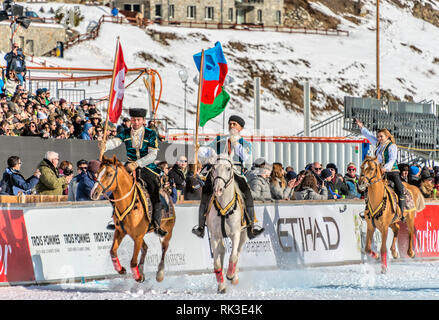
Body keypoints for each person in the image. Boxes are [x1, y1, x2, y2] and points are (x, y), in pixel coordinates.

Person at [193, 115, 264, 239]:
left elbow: (245, 156)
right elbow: (208, 150)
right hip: (219, 172)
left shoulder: (245, 143)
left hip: (235, 171)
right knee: (206, 192)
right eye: (230, 124)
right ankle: (200, 227)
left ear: (240, 128)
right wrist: (200, 148)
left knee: (247, 193)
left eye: (234, 124)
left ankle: (251, 226)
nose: (231, 126)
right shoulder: (220, 139)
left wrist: (235, 142)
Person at [99, 107, 167, 237]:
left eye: (138, 120)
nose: (135, 122)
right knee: (114, 189)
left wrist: (137, 164)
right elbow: (115, 142)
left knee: (154, 192)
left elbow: (153, 155)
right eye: (133, 120)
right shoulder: (125, 132)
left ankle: (156, 224)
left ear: (143, 121)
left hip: (147, 167)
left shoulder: (150, 134)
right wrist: (105, 146)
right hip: (129, 166)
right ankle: (116, 217)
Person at [356, 118, 406, 215]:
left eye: (381, 136)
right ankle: (368, 209)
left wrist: (385, 168)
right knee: (369, 186)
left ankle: (401, 212)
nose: (379, 138)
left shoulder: (392, 146)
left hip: (392, 171)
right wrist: (361, 127)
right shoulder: (379, 144)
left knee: (400, 189)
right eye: (378, 137)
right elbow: (369, 136)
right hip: (380, 172)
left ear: (387, 136)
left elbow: (392, 160)